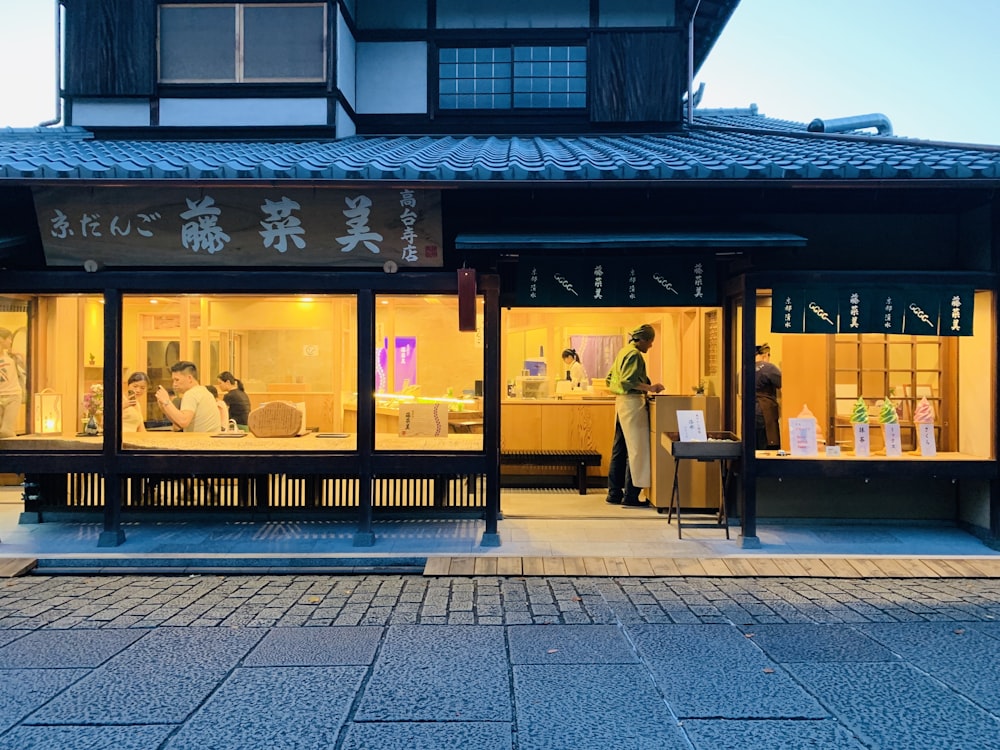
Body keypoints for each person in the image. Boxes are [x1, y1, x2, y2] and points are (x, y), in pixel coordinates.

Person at [605, 324, 664, 507]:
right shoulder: (635, 355)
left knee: (620, 448)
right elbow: (627, 381)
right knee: (637, 449)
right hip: (632, 403)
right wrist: (650, 388)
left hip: (621, 403)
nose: (651, 346)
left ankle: (614, 493)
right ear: (644, 340)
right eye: (651, 341)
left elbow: (610, 379)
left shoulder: (623, 351)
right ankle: (631, 495)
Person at [155, 361, 221, 432]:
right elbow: (178, 425)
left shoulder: (191, 394)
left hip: (199, 441)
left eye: (177, 380)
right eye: (173, 380)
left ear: (189, 378)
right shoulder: (205, 392)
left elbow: (183, 422)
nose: (174, 384)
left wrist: (166, 402)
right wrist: (164, 408)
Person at [754, 342, 782, 450]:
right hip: (764, 411)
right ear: (765, 355)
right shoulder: (768, 368)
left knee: (753, 446)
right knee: (766, 444)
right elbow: (785, 385)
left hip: (748, 411)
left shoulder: (742, 370)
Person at [0, 328, 23, 438]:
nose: (10, 341)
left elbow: (24, 371)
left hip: (13, 395)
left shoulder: (13, 357)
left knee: (6, 430)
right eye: (8, 339)